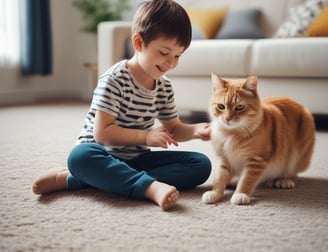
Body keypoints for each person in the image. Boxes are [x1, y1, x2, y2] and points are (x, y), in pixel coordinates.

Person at [32, 0, 211, 211]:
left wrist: (198, 130)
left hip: (135, 159)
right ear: (138, 43)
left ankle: (80, 180)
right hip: (101, 153)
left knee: (201, 164)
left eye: (178, 56)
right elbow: (103, 133)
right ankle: (149, 187)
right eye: (164, 53)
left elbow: (175, 129)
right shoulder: (114, 79)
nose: (171, 63)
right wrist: (146, 137)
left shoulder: (163, 86)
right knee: (79, 157)